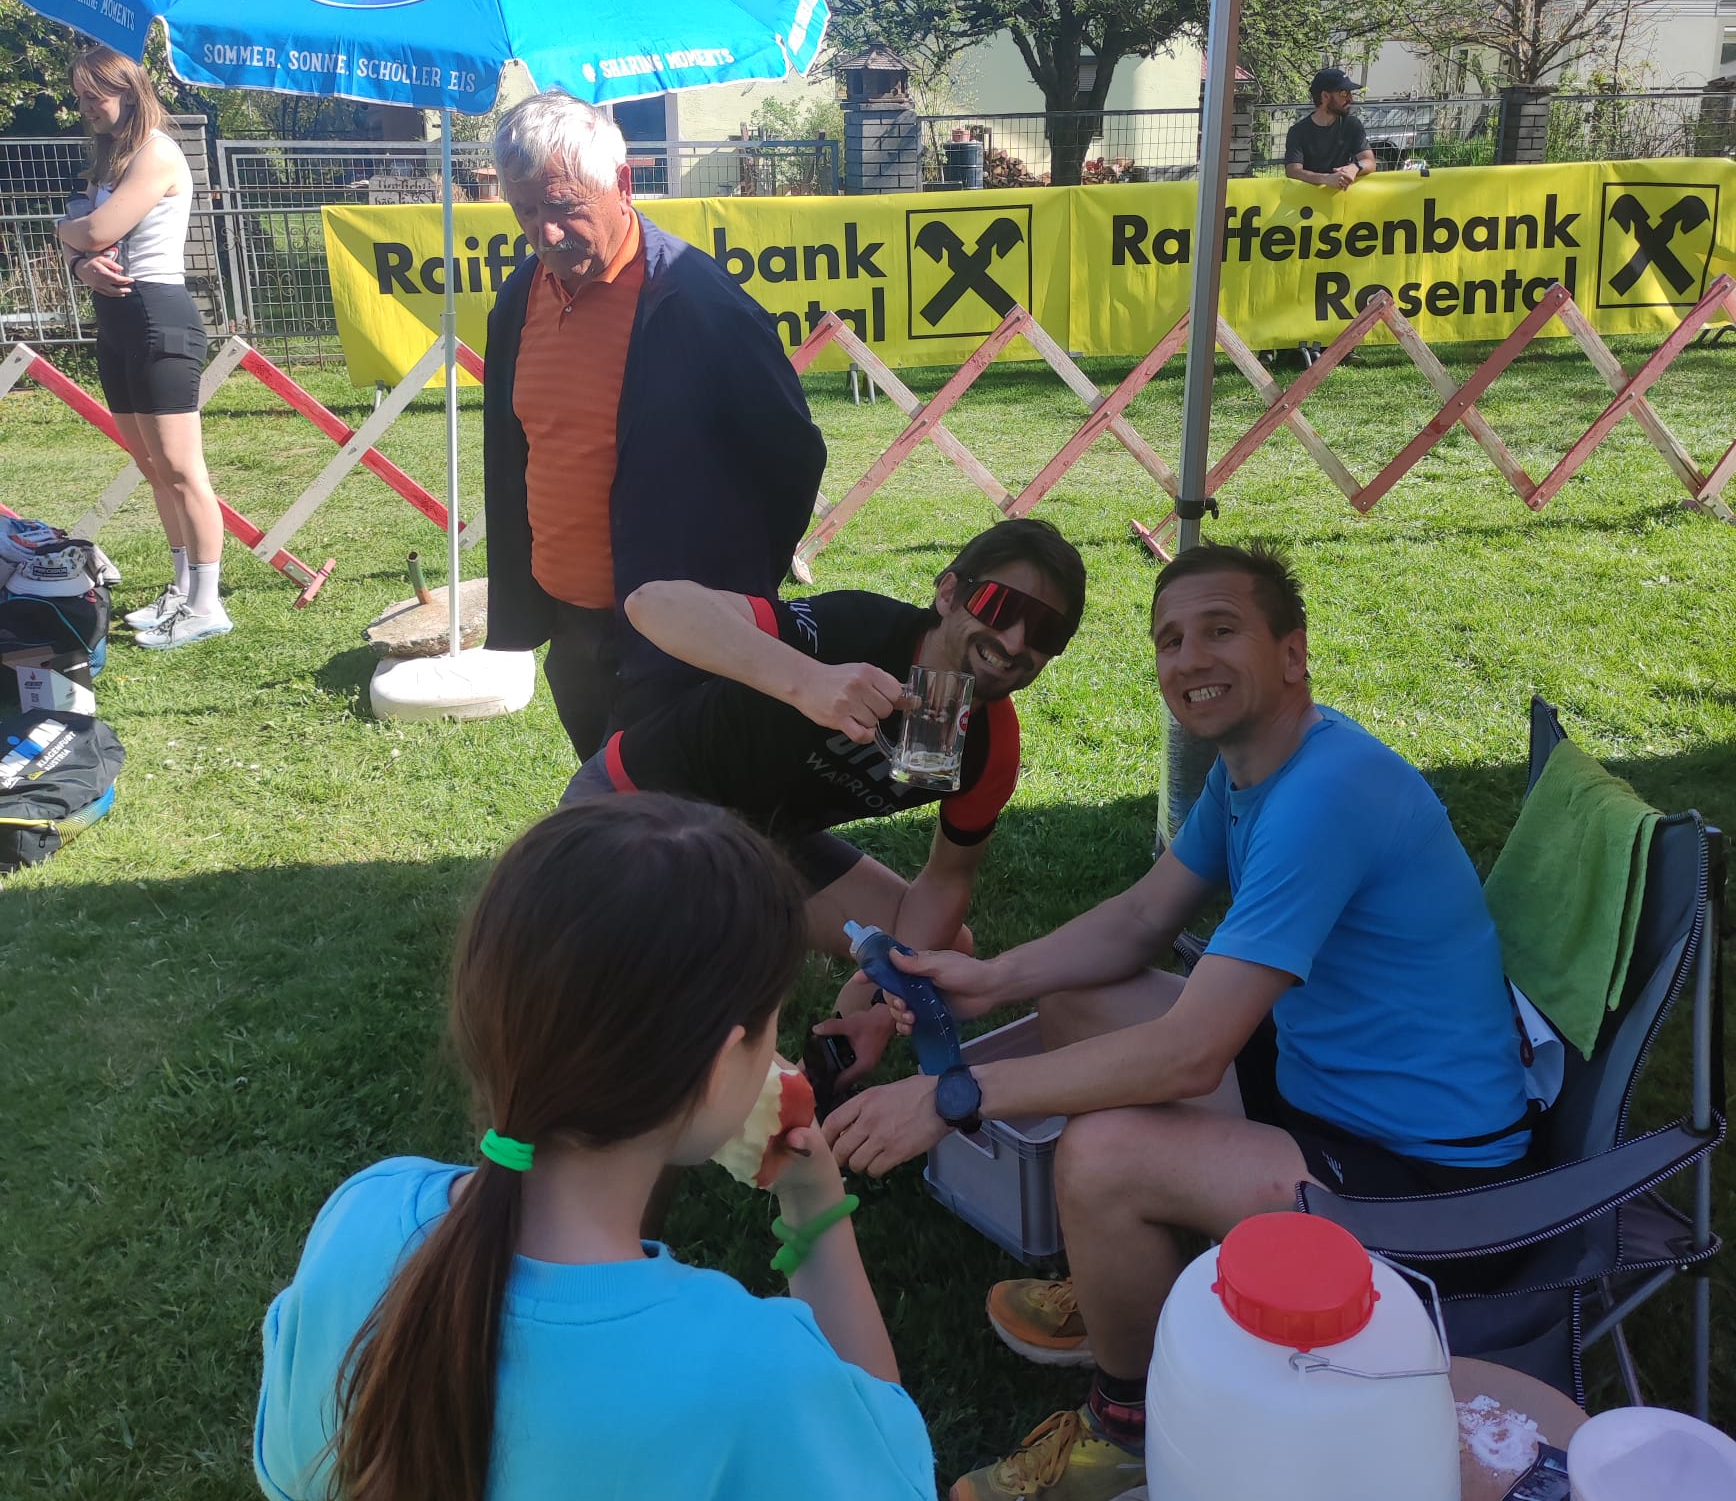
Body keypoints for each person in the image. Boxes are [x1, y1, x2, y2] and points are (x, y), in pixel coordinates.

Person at [824, 541, 1532, 1501]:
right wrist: (989, 979)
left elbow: (1192, 1055)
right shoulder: (1254, 769)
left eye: (1221, 630)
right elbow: (1141, 919)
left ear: (1293, 653)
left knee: (1102, 1158)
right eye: (1169, 640)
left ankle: (1130, 1435)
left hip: (1426, 1181)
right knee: (1078, 999)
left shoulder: (1326, 795)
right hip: (1325, 1085)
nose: (1189, 657)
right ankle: (1122, 1282)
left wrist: (953, 1094)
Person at [253, 793, 935, 1501]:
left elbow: (289, 1468)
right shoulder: (750, 1374)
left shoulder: (361, 1212)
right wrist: (817, 1208)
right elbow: (889, 1466)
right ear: (717, 1069)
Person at [564, 517, 1087, 1084]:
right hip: (643, 806)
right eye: (999, 606)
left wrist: (884, 1005)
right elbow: (652, 604)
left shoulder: (988, 747)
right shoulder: (859, 632)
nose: (1015, 641)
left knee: (944, 950)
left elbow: (946, 880)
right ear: (948, 594)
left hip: (768, 841)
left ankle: (833, 1041)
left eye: (1046, 631)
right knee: (670, 1008)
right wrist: (807, 680)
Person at [481, 90, 826, 760]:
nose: (544, 234)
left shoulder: (699, 304)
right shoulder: (520, 297)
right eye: (525, 211)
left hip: (682, 642)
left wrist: (733, 593)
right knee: (612, 795)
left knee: (683, 807)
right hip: (575, 632)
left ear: (622, 183)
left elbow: (791, 455)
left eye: (562, 206)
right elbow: (516, 452)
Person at [57, 46, 229, 648]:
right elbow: (86, 244)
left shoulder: (156, 153)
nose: (85, 108)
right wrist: (79, 263)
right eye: (80, 97)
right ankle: (182, 590)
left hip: (159, 315)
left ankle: (207, 603)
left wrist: (65, 234)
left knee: (182, 469)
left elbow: (95, 229)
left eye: (93, 96)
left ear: (128, 92)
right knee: (153, 468)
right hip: (117, 321)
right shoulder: (110, 159)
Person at [1284, 66, 1376, 192]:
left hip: (1343, 201)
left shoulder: (1352, 125)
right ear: (1325, 96)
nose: (1350, 98)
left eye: (1350, 93)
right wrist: (1326, 179)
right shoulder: (1298, 131)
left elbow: (1370, 161)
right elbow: (1293, 171)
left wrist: (1355, 167)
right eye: (1344, 93)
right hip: (1309, 201)